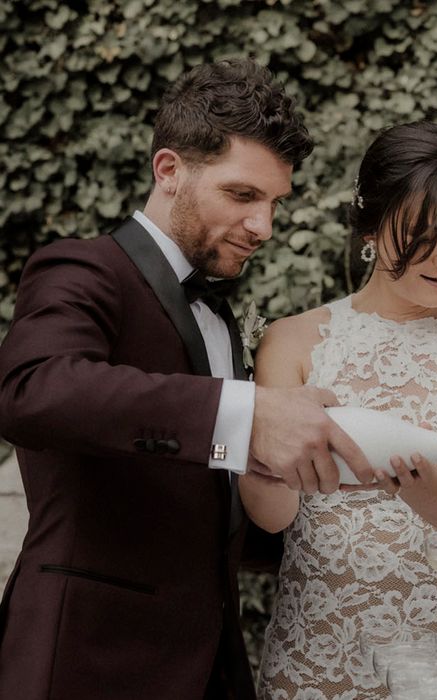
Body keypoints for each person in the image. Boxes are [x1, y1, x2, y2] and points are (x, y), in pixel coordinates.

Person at [0, 58, 373, 700]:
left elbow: (197, 514)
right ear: (169, 170)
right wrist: (247, 413)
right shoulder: (82, 270)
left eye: (275, 203)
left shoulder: (222, 320)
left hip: (210, 668)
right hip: (86, 665)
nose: (265, 227)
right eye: (243, 195)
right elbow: (31, 390)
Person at [239, 121, 437, 698]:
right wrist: (270, 448)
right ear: (373, 226)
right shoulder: (292, 342)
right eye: (424, 235)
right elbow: (271, 515)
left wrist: (402, 469)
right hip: (316, 657)